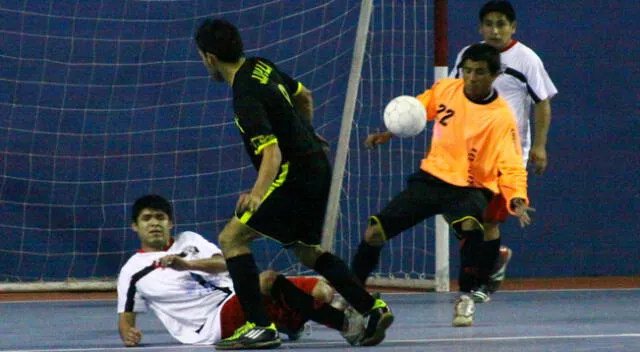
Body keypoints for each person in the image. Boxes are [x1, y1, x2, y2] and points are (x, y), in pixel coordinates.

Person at [193, 19, 392, 349]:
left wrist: (257, 194)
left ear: (210, 58)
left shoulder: (244, 95)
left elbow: (271, 153)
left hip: (293, 173)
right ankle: (371, 308)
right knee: (307, 250)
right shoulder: (260, 66)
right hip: (316, 165)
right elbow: (305, 97)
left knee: (232, 238)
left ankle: (260, 327)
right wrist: (307, 134)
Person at [351, 43, 534, 327]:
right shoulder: (446, 89)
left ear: (495, 75)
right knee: (374, 232)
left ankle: (466, 299)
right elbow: (417, 109)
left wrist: (517, 199)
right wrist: (390, 132)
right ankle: (351, 293)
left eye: (480, 73)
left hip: (469, 187)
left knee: (472, 228)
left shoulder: (501, 118)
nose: (471, 78)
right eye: (468, 71)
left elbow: (510, 165)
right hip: (431, 179)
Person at [117, 194, 365, 347]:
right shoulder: (132, 271)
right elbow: (126, 319)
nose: (154, 223)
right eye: (147, 218)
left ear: (170, 223)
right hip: (211, 323)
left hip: (238, 295)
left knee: (321, 291)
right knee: (268, 280)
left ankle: (290, 322)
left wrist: (188, 264)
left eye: (160, 217)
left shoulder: (189, 239)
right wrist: (129, 334)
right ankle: (345, 325)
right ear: (134, 227)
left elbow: (226, 263)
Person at [449, 0, 558, 302]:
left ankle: (479, 283)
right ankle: (493, 259)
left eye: (501, 24)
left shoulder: (526, 59)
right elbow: (454, 96)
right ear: (480, 28)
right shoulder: (467, 57)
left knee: (489, 220)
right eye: (489, 24)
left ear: (513, 27)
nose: (494, 30)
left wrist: (538, 145)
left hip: (507, 155)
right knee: (463, 219)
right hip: (469, 153)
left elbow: (542, 103)